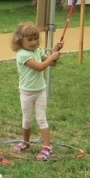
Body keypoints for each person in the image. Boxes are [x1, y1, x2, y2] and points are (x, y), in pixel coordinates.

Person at [10, 22, 62, 161]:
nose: (34, 42)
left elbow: (51, 63)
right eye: (30, 39)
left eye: (35, 39)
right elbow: (39, 67)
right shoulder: (22, 54)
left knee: (41, 118)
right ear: (20, 40)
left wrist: (55, 52)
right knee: (26, 119)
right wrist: (51, 57)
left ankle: (47, 147)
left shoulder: (38, 51)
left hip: (40, 91)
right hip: (26, 92)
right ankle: (25, 142)